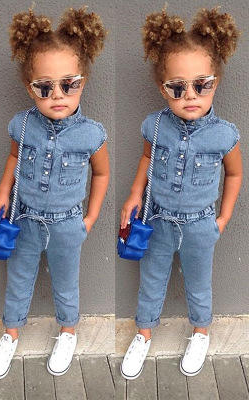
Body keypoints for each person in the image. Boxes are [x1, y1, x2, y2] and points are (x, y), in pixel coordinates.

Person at [0, 6, 109, 379]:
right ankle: (10, 333)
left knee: (65, 282)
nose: (57, 95)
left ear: (82, 82)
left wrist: (90, 217)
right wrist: (1, 194)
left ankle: (68, 332)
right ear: (30, 87)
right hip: (24, 219)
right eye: (45, 87)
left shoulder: (91, 133)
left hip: (67, 223)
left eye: (68, 84)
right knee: (18, 278)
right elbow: (13, 158)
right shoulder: (21, 125)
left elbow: (102, 173)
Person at [120, 7, 242, 379]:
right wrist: (134, 195)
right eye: (178, 87)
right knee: (151, 279)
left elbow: (235, 173)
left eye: (201, 85)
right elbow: (146, 159)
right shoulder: (154, 125)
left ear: (215, 83)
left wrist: (223, 218)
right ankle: (143, 334)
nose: (190, 95)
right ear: (163, 88)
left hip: (201, 224)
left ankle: (201, 332)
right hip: (157, 220)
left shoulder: (224, 134)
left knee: (198, 283)